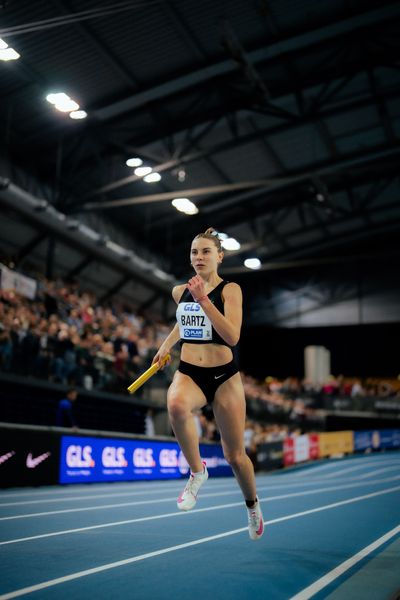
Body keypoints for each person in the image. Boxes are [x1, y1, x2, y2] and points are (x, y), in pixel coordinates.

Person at [152, 227, 264, 541]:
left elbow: (232, 336)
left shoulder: (231, 290)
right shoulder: (180, 291)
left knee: (234, 457)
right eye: (194, 252)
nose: (198, 257)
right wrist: (166, 345)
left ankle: (252, 505)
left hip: (224, 376)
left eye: (205, 252)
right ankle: (197, 472)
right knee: (175, 405)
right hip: (190, 372)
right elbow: (182, 320)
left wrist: (204, 299)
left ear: (219, 256)